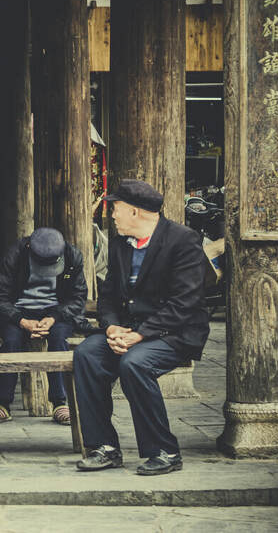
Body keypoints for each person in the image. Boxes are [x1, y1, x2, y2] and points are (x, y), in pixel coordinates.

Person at [73, 179, 209, 476]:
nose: (112, 215)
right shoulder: (121, 242)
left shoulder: (183, 240)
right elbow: (108, 296)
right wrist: (111, 328)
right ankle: (103, 447)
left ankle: (164, 451)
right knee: (86, 354)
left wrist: (138, 335)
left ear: (135, 212)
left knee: (135, 363)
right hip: (130, 330)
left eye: (116, 208)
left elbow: (184, 303)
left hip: (174, 332)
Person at [0, 228, 87, 426]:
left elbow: (78, 297)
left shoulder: (72, 256)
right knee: (11, 342)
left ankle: (60, 403)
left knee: (58, 341)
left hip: (56, 312)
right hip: (17, 311)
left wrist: (54, 317)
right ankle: (2, 404)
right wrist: (21, 320)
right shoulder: (15, 255)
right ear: (30, 248)